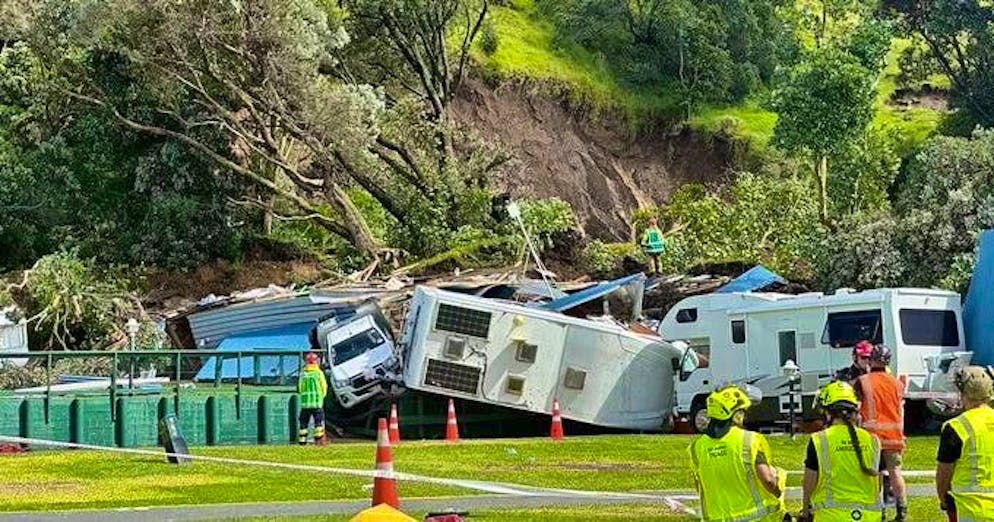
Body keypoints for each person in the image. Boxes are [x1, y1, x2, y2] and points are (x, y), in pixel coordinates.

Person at [688, 384, 786, 521]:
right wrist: (778, 488)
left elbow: (701, 487)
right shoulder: (750, 440)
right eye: (742, 411)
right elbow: (768, 480)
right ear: (736, 414)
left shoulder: (696, 447)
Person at [800, 380, 882, 522]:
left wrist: (805, 510)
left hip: (831, 516)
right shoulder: (872, 440)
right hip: (869, 517)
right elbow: (878, 483)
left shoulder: (820, 440)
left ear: (827, 413)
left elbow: (809, 483)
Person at [855, 344, 907, 521]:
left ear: (871, 360)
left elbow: (857, 408)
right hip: (894, 437)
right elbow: (900, 409)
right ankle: (902, 509)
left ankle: (879, 511)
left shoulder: (863, 381)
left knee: (874, 475)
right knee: (895, 472)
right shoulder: (897, 384)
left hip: (871, 437)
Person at [936, 366, 994, 521]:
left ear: (962, 393)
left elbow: (943, 474)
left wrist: (944, 500)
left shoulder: (956, 427)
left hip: (971, 510)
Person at [297, 351, 328, 445]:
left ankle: (302, 442)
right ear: (316, 361)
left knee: (303, 423)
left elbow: (300, 387)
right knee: (318, 422)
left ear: (306, 362)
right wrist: (322, 396)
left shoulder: (303, 374)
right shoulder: (318, 373)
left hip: (305, 404)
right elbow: (324, 386)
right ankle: (318, 441)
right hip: (317, 403)